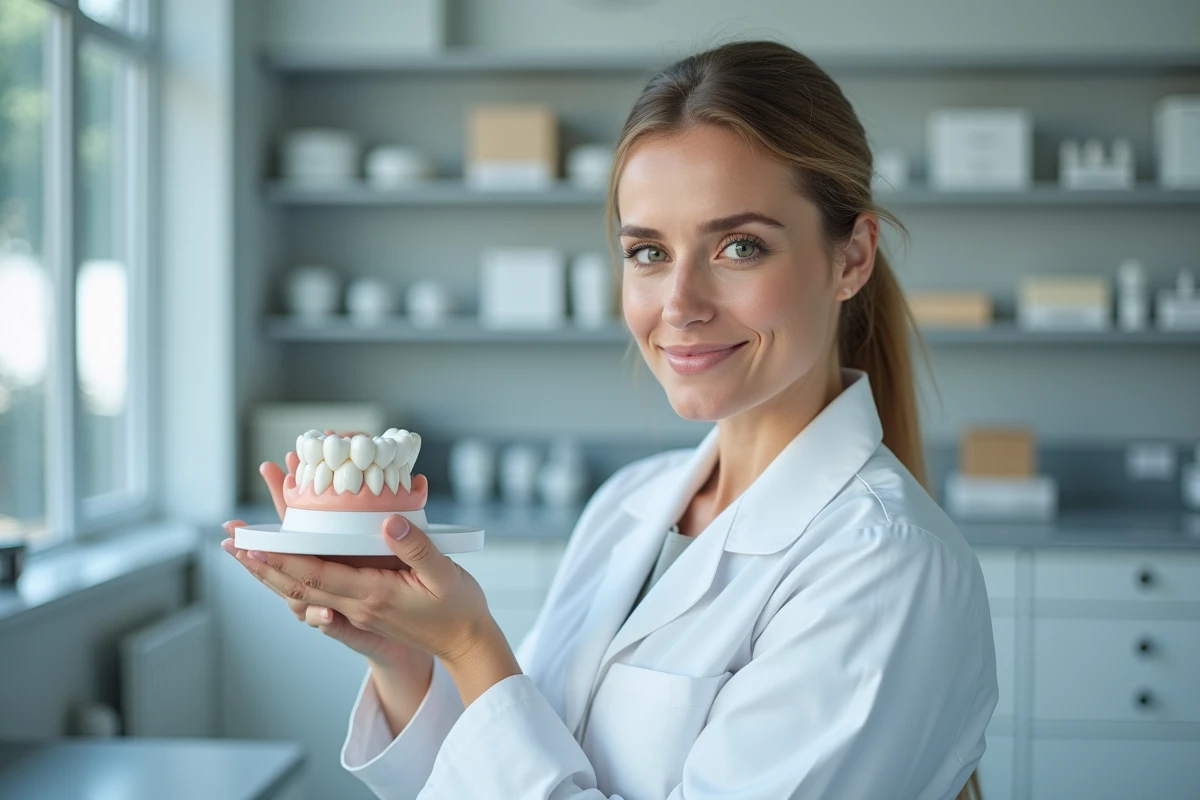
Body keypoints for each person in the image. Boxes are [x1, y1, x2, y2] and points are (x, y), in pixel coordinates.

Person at [223, 39, 997, 800]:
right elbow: (512, 767)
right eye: (649, 253)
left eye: (739, 246)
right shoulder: (630, 503)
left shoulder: (887, 568)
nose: (680, 306)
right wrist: (404, 653)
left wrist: (471, 644)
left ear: (851, 257)